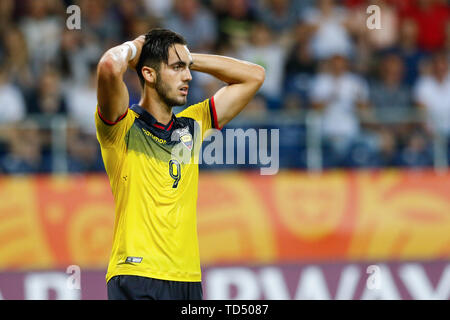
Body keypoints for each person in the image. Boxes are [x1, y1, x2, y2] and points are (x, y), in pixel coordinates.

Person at [95, 28, 265, 300]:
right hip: (138, 275)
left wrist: (186, 57)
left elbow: (254, 76)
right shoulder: (121, 127)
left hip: (187, 279)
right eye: (176, 68)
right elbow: (108, 65)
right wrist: (139, 46)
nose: (188, 76)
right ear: (149, 74)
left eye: (187, 69)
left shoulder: (193, 124)